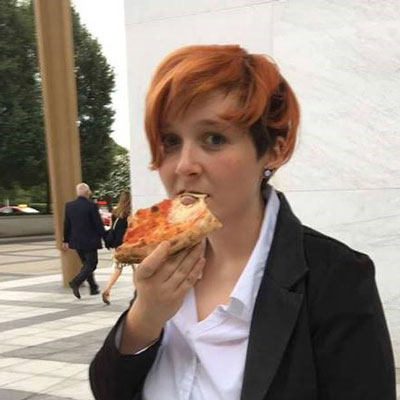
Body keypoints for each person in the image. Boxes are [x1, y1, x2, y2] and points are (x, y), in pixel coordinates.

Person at [89, 45, 396, 399]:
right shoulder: (167, 259)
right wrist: (145, 317)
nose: (183, 165)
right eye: (171, 141)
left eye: (213, 138)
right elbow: (109, 389)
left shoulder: (336, 276)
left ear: (275, 150)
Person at [62, 182, 105, 299]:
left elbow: (67, 224)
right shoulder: (91, 206)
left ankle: (93, 287)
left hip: (76, 241)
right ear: (87, 192)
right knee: (92, 264)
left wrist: (65, 240)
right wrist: (105, 237)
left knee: (86, 264)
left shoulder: (69, 206)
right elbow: (98, 224)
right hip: (90, 241)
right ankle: (76, 281)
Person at [102, 191, 132, 305]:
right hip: (126, 246)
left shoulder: (115, 212)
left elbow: (111, 228)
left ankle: (107, 289)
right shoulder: (129, 213)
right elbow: (130, 231)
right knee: (136, 270)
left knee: (117, 269)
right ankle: (137, 294)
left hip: (116, 245)